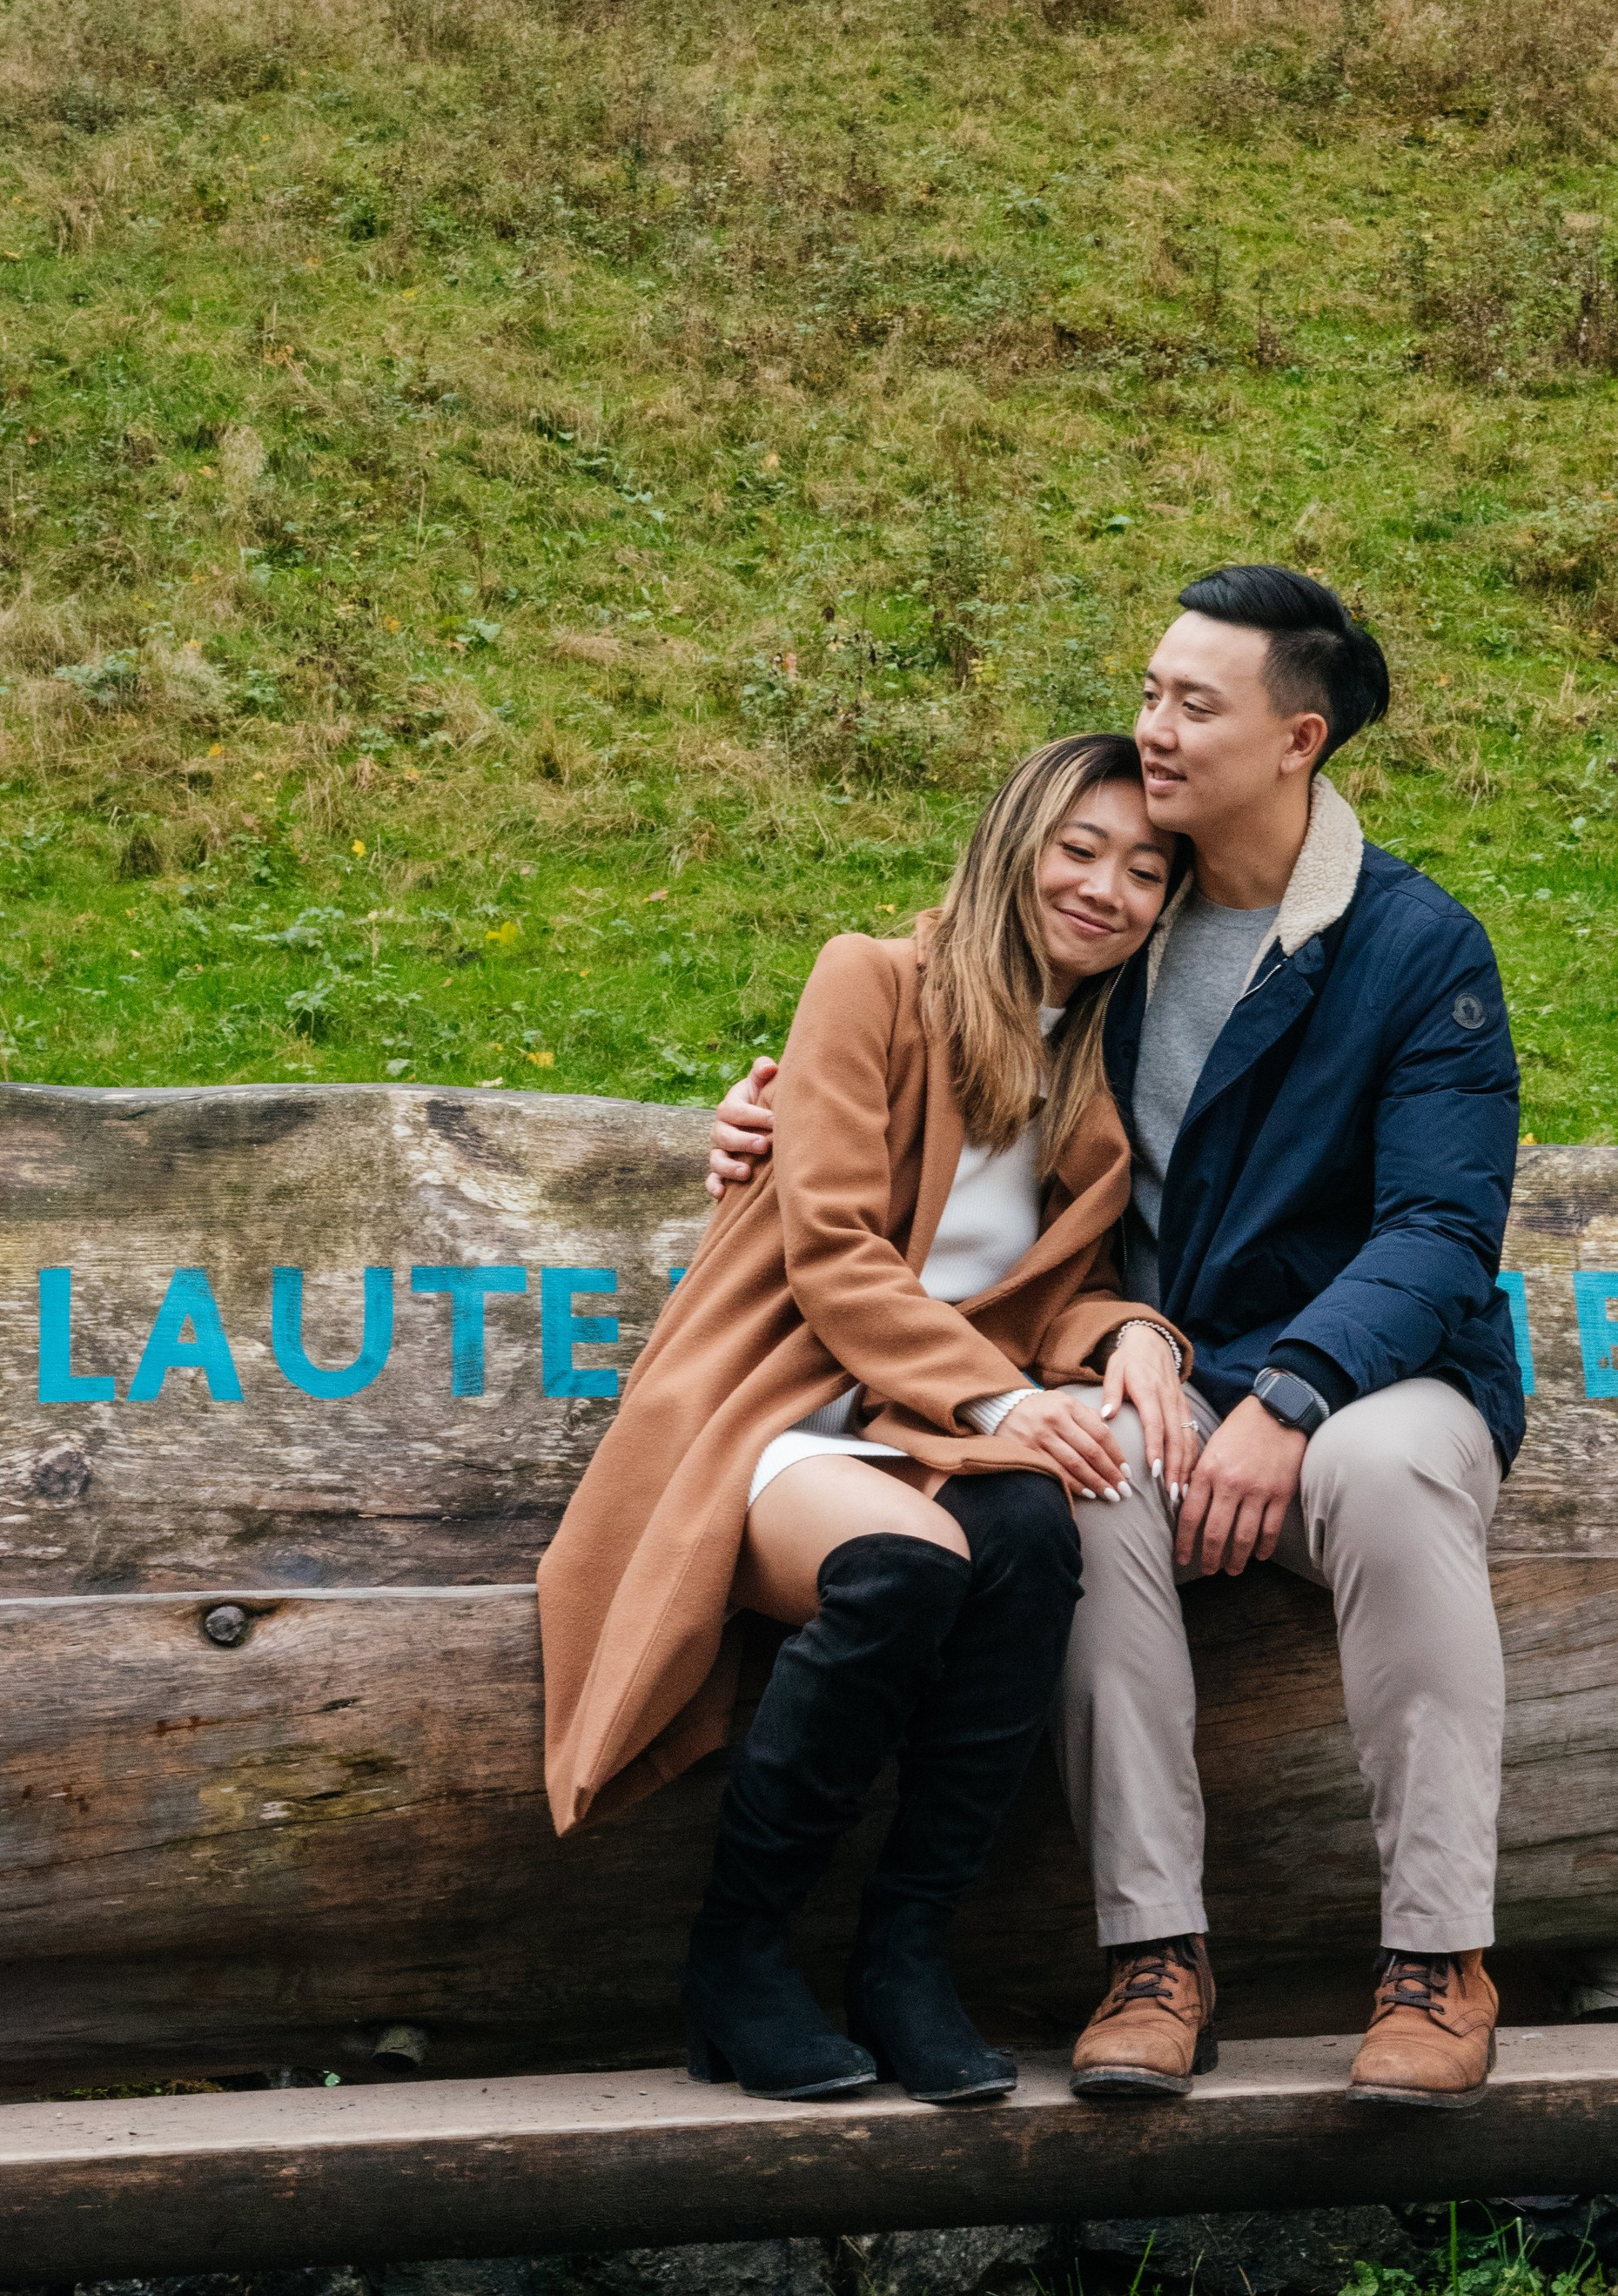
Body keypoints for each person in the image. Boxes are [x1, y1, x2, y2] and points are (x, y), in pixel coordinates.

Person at [709, 563, 1523, 2112]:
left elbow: (1438, 1233)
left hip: (1379, 1376)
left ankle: (1438, 1961)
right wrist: (754, 1107)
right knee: (1086, 1495)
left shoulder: (1416, 951)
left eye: (1192, 705)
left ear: (1298, 740)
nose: (1152, 725)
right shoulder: (1116, 921)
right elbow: (936, 1010)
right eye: (1150, 690)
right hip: (1150, 1369)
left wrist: (1293, 1391)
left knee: (1394, 1477)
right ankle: (1156, 1954)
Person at [538, 732, 1196, 2111]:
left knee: (1028, 1532)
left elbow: (1055, 1289)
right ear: (1015, 841)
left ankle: (906, 1953)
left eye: (1145, 870)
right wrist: (1009, 1396)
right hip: (784, 1404)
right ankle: (739, 1957)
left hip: (935, 1423)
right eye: (1078, 848)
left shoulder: (1095, 1069)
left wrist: (1128, 1332)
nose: (1105, 889)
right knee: (903, 1567)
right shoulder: (874, 981)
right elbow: (834, 1248)